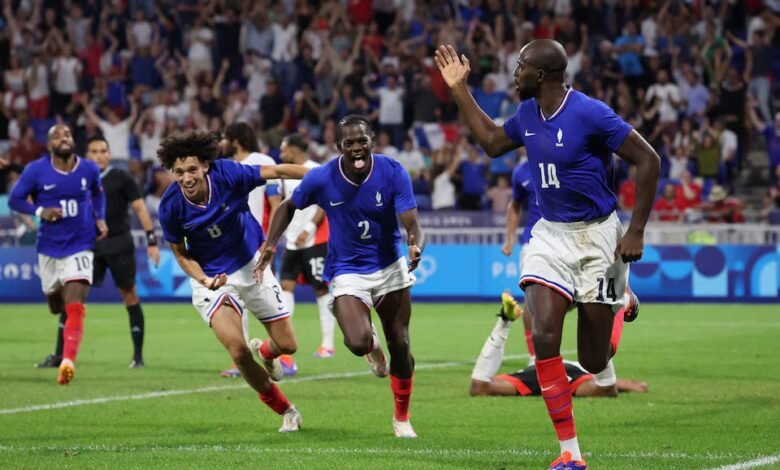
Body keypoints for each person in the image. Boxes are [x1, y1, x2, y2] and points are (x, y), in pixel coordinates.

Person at [436, 40, 659, 469]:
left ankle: (621, 300)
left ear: (541, 75)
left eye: (520, 66)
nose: (513, 72)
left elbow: (648, 160)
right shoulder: (526, 115)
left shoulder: (590, 113)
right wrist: (459, 89)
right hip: (550, 238)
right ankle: (570, 453)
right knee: (543, 338)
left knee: (595, 361)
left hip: (599, 240)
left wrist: (636, 230)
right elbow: (489, 141)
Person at [255, 115, 425, 438]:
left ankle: (401, 419)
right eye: (350, 143)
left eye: (363, 141)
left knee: (400, 344)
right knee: (358, 341)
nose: (357, 148)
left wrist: (416, 245)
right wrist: (270, 244)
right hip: (348, 270)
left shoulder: (392, 171)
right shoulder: (323, 178)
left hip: (390, 267)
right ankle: (371, 345)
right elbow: (288, 206)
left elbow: (412, 223)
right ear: (339, 147)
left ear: (372, 141)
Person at [156, 130, 307, 432]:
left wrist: (326, 179)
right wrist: (203, 278)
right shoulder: (170, 206)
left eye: (192, 170)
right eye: (179, 172)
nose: (186, 178)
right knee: (238, 350)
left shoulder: (228, 173)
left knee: (288, 345)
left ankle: (266, 351)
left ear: (206, 166)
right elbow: (181, 253)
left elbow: (276, 171)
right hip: (212, 278)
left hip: (252, 264)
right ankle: (287, 410)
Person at [8, 124, 108, 385]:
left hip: (81, 243)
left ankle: (67, 362)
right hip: (49, 248)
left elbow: (98, 193)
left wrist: (100, 218)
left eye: (67, 135)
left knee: (75, 303)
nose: (63, 138)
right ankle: (64, 325)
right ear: (49, 144)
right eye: (56, 136)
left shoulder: (89, 168)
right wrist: (41, 212)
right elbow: (15, 200)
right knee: (56, 306)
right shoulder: (36, 170)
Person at [469, 295, 648, 398]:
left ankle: (610, 306)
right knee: (478, 388)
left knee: (607, 389)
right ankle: (505, 320)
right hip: (538, 373)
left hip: (571, 374)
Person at [85, 136, 160, 368]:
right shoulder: (80, 180)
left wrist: (151, 241)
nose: (98, 155)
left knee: (130, 295)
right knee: (73, 296)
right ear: (87, 155)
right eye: (94, 151)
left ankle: (138, 356)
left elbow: (140, 209)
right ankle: (61, 355)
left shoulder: (121, 177)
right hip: (88, 245)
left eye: (102, 151)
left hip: (119, 244)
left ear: (109, 154)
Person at [217, 121, 285, 378]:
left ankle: (282, 354)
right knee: (235, 301)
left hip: (257, 242)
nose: (221, 141)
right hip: (230, 242)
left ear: (236, 139)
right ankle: (242, 360)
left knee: (270, 301)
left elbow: (275, 201)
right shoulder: (224, 166)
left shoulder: (262, 160)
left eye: (225, 137)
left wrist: (272, 241)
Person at [276, 133, 336, 358]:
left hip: (314, 240)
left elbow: (324, 203)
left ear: (294, 149)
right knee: (286, 288)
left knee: (320, 289)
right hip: (291, 241)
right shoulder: (284, 173)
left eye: (284, 149)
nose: (281, 153)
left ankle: (327, 344)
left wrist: (309, 229)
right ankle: (284, 344)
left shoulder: (315, 170)